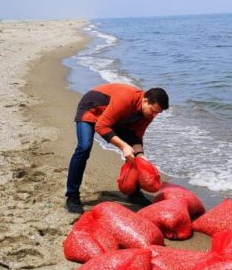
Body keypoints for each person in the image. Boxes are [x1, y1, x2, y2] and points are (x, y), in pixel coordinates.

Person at [65, 83, 169, 213]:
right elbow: (101, 126)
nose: (153, 115)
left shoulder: (148, 113)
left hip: (115, 117)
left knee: (135, 156)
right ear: (145, 100)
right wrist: (123, 146)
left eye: (157, 113)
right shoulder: (126, 98)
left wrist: (140, 155)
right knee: (84, 148)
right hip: (91, 108)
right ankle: (72, 196)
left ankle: (133, 193)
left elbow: (136, 136)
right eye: (153, 111)